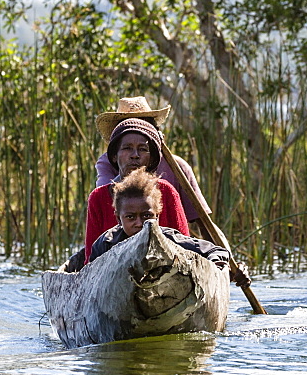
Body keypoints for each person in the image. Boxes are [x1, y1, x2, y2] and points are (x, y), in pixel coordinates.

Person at [84, 117, 189, 261]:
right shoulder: (98, 197)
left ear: (151, 159)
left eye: (142, 149)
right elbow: (90, 260)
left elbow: (185, 247)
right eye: (127, 148)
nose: (135, 155)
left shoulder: (167, 192)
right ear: (114, 156)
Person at [94, 97, 210, 223]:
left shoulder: (177, 168)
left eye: (143, 124)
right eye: (129, 125)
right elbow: (105, 199)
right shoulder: (108, 162)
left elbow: (202, 220)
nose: (137, 129)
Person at [89, 169, 230, 268]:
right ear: (119, 219)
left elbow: (216, 250)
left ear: (157, 216)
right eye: (130, 217)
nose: (139, 224)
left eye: (147, 216)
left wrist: (215, 261)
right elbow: (90, 276)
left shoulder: (169, 238)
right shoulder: (106, 243)